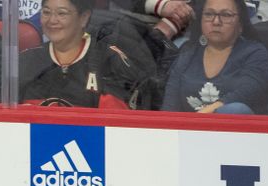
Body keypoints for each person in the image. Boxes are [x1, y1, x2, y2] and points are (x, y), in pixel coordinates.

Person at [19, 0, 174, 109]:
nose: (52, 20)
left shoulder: (111, 61)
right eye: (46, 12)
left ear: (83, 18)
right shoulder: (26, 61)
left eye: (62, 13)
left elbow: (116, 127)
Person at [161, 0, 268, 114]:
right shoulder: (187, 53)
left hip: (238, 129)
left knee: (235, 110)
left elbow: (247, 93)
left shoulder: (254, 53)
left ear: (240, 24)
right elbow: (170, 106)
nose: (216, 21)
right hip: (188, 129)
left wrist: (200, 117)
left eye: (226, 15)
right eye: (209, 14)